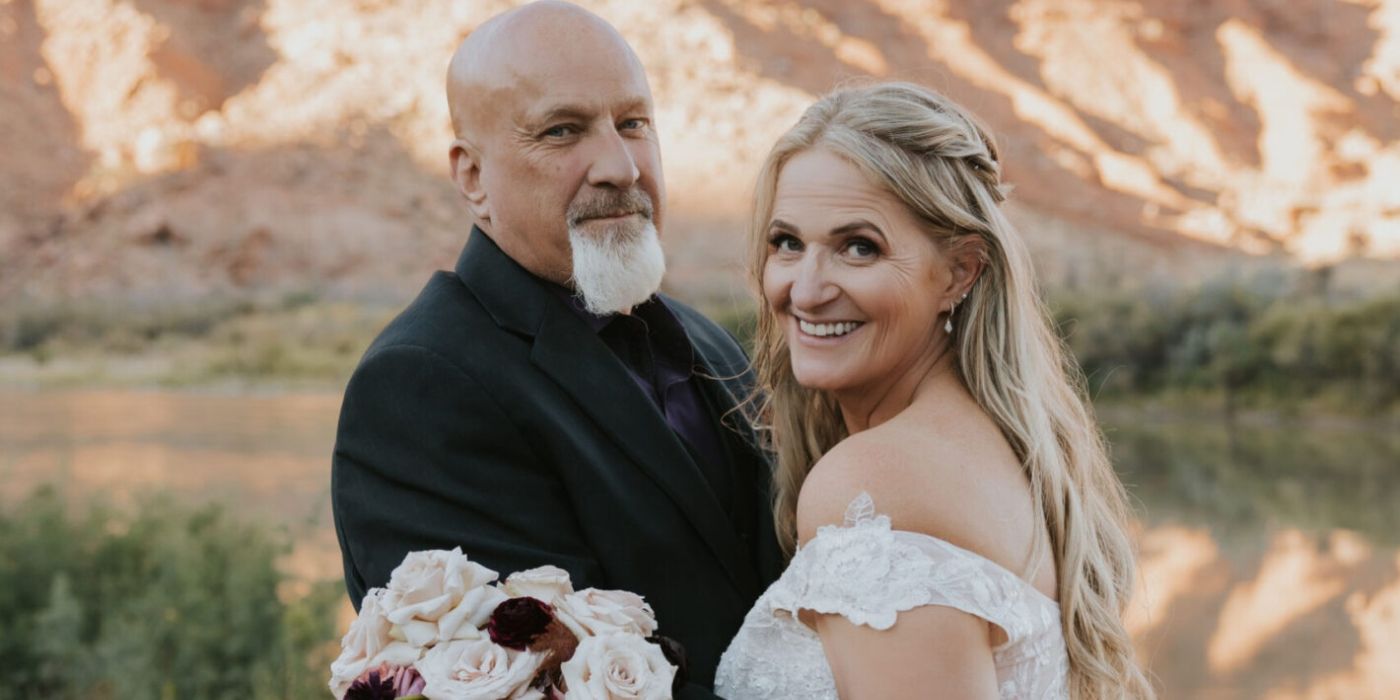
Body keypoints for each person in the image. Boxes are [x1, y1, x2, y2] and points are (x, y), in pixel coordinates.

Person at [329, 3, 782, 696]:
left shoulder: (706, 338)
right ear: (472, 177)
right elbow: (538, 676)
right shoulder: (421, 386)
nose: (619, 166)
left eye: (633, 123)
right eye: (563, 130)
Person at [715, 82, 1155, 699]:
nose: (806, 289)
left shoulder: (870, 484)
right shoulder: (1000, 446)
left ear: (959, 272)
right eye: (787, 243)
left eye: (858, 248)